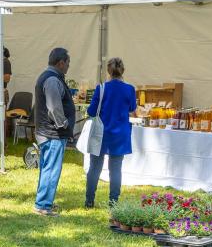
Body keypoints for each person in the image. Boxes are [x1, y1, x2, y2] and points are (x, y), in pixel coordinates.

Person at [85, 57, 136, 207]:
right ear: (123, 71)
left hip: (101, 134)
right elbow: (132, 108)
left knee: (95, 168)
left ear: (108, 71)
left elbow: (91, 111)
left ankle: (89, 201)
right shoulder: (130, 89)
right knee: (116, 170)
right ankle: (113, 202)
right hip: (120, 134)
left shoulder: (101, 88)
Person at [33, 48, 75, 216]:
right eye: (68, 63)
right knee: (52, 169)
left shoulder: (50, 77)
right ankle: (43, 205)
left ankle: (44, 201)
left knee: (47, 168)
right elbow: (54, 107)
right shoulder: (51, 79)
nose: (68, 67)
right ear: (61, 63)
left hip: (49, 132)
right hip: (52, 133)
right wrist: (64, 124)